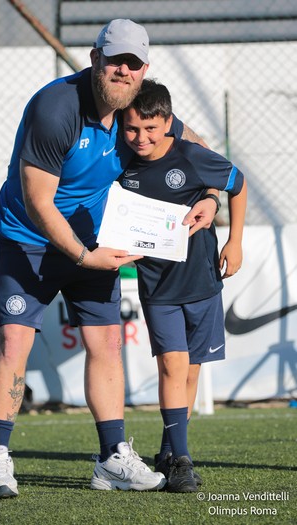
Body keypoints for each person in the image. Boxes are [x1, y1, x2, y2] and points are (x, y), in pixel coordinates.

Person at [0, 19, 219, 499]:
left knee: (107, 344)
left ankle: (112, 457)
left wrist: (211, 197)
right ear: (95, 60)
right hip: (29, 239)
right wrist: (85, 257)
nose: (124, 71)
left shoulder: (142, 110)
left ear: (143, 69)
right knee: (13, 344)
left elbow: (202, 151)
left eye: (133, 63)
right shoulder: (56, 108)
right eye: (115, 61)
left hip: (92, 242)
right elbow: (37, 201)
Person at [119, 79, 247, 492]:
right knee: (172, 366)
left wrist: (235, 240)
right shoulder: (118, 164)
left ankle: (170, 450)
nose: (141, 137)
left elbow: (238, 182)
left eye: (151, 128)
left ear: (169, 123)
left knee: (190, 372)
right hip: (158, 288)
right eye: (132, 128)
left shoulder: (191, 157)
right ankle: (182, 463)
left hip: (203, 282)